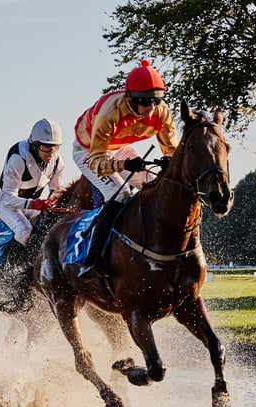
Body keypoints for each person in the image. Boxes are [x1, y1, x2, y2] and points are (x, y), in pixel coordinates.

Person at [73, 59, 179, 277]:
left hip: (119, 147)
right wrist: (122, 165)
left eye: (156, 101)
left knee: (152, 186)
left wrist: (170, 162)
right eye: (145, 101)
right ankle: (93, 260)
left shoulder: (161, 112)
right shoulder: (109, 113)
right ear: (129, 98)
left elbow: (172, 150)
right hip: (89, 152)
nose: (151, 109)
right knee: (120, 194)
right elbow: (96, 161)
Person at [0, 118, 65, 267]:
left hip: (32, 206)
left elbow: (56, 191)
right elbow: (7, 197)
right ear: (35, 145)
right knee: (25, 230)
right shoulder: (18, 157)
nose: (51, 153)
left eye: (55, 148)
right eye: (46, 147)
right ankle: (10, 269)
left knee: (53, 226)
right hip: (8, 204)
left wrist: (52, 202)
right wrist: (34, 203)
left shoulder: (58, 163)